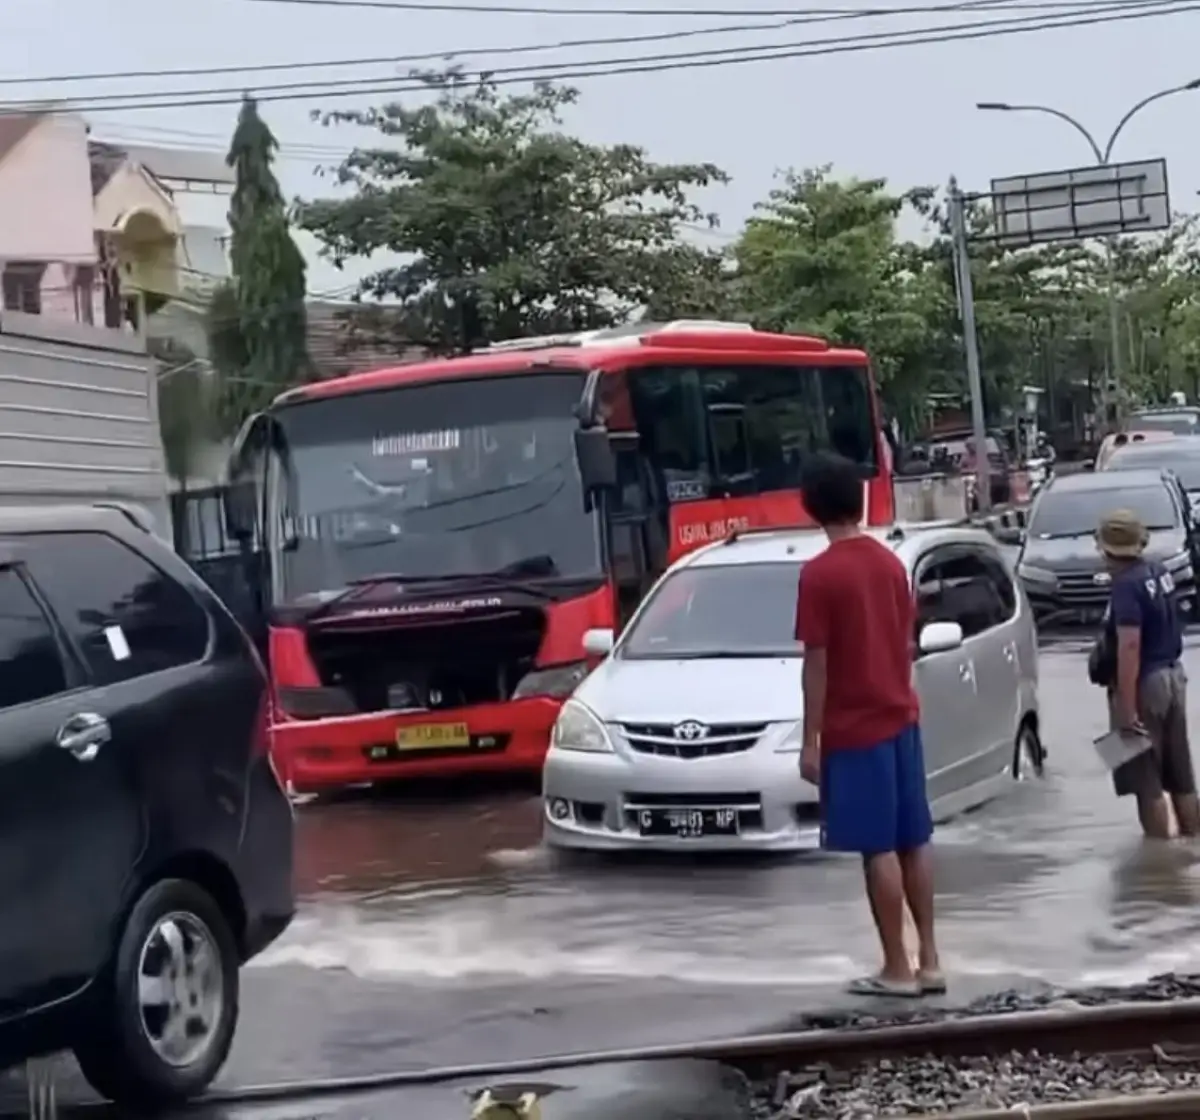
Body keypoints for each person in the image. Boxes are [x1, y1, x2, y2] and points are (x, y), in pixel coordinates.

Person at [794, 452, 941, 997]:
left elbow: (818, 662)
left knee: (876, 847)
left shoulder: (819, 574)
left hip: (856, 729)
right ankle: (930, 959)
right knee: (913, 839)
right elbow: (905, 641)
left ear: (810, 506)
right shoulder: (889, 564)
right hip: (902, 718)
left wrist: (811, 739)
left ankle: (896, 968)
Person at [1097, 509, 1200, 839]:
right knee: (1181, 775)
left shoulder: (1126, 586)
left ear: (1108, 549)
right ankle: (1192, 845)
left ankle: (1161, 863)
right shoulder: (1159, 571)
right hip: (1174, 676)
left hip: (1145, 683)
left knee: (1146, 781)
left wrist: (1127, 710)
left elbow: (1130, 647)